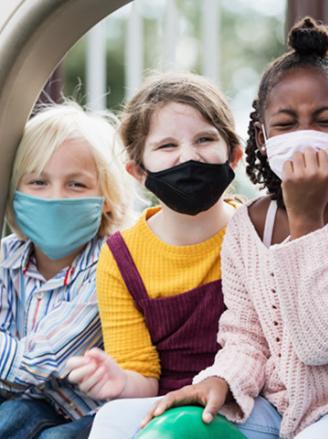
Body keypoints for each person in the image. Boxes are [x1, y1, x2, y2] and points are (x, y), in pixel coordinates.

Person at [96, 18, 328, 439]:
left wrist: (307, 222)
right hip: (272, 406)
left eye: (324, 121)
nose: (304, 137)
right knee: (118, 422)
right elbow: (244, 336)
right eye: (286, 124)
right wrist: (220, 380)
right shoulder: (249, 225)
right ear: (262, 139)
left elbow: (321, 342)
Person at [0, 102, 130, 438]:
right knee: (13, 414)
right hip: (28, 404)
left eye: (76, 185)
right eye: (38, 182)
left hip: (92, 413)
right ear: (14, 195)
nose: (55, 198)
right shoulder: (5, 258)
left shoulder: (108, 266)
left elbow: (30, 366)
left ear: (106, 199)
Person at [66, 73, 243, 434]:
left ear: (235, 155)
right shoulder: (121, 257)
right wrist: (119, 381)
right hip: (162, 407)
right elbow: (142, 378)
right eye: (166, 146)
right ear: (138, 171)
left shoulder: (257, 229)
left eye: (205, 139)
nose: (188, 157)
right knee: (111, 420)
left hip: (244, 399)